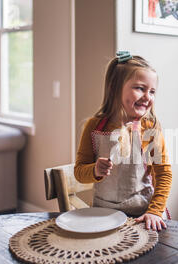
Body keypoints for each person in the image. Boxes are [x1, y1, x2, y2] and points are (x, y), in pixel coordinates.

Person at [74, 51, 172, 231]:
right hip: (103, 216)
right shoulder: (95, 127)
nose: (147, 96)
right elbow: (79, 171)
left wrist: (155, 211)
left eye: (152, 91)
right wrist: (95, 169)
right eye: (140, 88)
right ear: (114, 87)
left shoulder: (150, 128)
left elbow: (164, 174)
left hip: (143, 216)